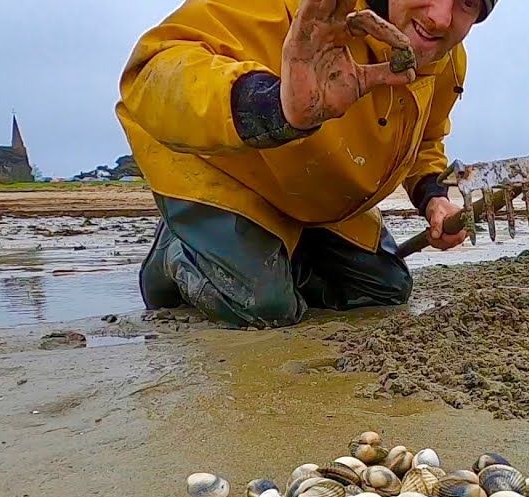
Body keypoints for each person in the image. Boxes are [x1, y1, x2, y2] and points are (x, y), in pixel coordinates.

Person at [115, 0, 497, 328]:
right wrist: (273, 105)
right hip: (228, 170)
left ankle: (278, 251)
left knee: (386, 290)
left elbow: (426, 139)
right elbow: (152, 70)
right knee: (264, 307)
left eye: (467, 2)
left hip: (315, 190)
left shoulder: (445, 57)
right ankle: (177, 252)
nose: (440, 18)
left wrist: (433, 197)